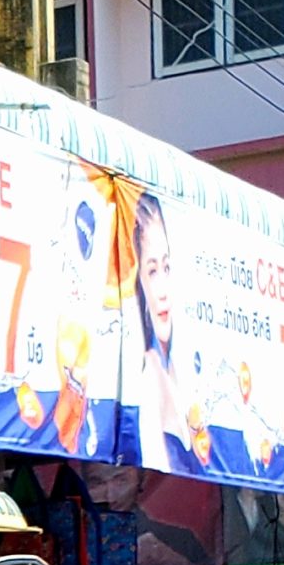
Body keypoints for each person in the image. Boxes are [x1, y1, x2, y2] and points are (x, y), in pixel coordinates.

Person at [129, 191, 194, 474]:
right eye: (152, 271)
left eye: (166, 267)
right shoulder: (147, 382)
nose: (164, 290)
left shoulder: (182, 370)